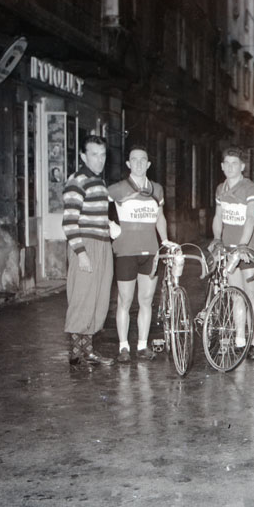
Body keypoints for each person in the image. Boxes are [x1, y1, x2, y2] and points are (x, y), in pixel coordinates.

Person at [108, 145, 171, 363]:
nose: (138, 163)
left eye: (143, 160)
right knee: (125, 300)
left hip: (150, 252)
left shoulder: (157, 189)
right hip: (126, 252)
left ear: (148, 164)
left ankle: (143, 346)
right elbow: (95, 205)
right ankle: (123, 347)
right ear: (128, 163)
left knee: (146, 300)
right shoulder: (118, 188)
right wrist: (109, 225)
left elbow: (160, 217)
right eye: (134, 160)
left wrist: (164, 240)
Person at [62, 135, 114, 365]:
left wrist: (110, 227)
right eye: (94, 155)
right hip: (86, 245)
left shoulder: (99, 182)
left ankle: (88, 350)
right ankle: (76, 353)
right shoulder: (77, 181)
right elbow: (69, 222)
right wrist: (81, 254)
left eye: (103, 155)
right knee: (82, 296)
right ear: (83, 156)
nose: (99, 160)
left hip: (102, 244)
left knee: (99, 298)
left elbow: (95, 216)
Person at [210, 146, 254, 361]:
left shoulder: (251, 188)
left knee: (251, 294)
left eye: (235, 164)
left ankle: (252, 342)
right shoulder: (220, 189)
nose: (231, 167)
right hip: (229, 248)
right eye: (227, 163)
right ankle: (240, 340)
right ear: (222, 167)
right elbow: (218, 217)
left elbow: (250, 218)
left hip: (248, 249)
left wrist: (243, 246)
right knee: (236, 295)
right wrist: (217, 239)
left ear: (242, 166)